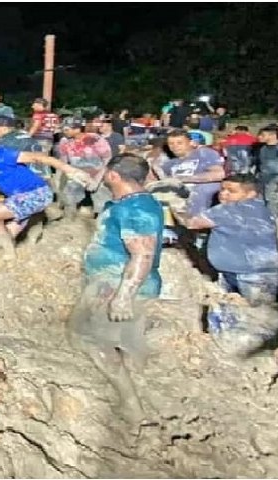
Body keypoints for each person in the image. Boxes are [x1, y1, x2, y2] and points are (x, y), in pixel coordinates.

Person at [67, 153, 163, 425]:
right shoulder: (129, 203)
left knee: (90, 339)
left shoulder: (135, 209)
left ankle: (131, 404)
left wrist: (123, 297)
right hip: (109, 281)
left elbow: (142, 254)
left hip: (116, 285)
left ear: (113, 176)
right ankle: (132, 387)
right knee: (115, 339)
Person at [171, 174, 278, 305]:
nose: (223, 194)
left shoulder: (229, 209)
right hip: (259, 272)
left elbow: (190, 223)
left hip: (252, 277)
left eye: (231, 191)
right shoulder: (260, 208)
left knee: (253, 316)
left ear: (251, 194)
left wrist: (173, 205)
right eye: (222, 189)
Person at [154, 129, 225, 216]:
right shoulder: (169, 164)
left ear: (191, 143)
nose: (175, 146)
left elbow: (219, 174)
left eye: (179, 143)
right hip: (178, 192)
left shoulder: (203, 153)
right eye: (171, 144)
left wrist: (181, 179)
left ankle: (196, 222)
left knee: (201, 189)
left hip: (199, 188)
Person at [56, 118, 114, 218]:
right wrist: (71, 176)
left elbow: (107, 158)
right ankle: (71, 222)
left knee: (103, 204)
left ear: (77, 129)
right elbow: (64, 163)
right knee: (70, 199)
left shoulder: (94, 139)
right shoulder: (65, 142)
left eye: (67, 129)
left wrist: (97, 179)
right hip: (77, 175)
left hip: (98, 173)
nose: (64, 132)